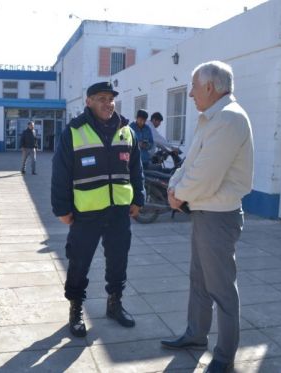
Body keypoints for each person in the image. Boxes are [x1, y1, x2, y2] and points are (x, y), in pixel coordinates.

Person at [160, 61, 254, 373]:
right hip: (204, 212)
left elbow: (205, 176)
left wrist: (179, 195)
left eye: (194, 87)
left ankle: (224, 358)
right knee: (199, 282)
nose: (190, 93)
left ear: (210, 88)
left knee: (222, 290)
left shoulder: (228, 119)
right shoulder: (212, 118)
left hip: (218, 217)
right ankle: (195, 335)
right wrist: (175, 186)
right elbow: (191, 163)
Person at [51, 81, 145, 338]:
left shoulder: (127, 131)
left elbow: (136, 169)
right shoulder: (74, 131)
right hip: (86, 212)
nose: (108, 103)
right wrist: (62, 208)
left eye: (111, 98)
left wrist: (138, 198)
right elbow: (60, 173)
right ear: (88, 101)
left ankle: (114, 303)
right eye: (101, 98)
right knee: (79, 261)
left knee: (118, 260)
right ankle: (76, 307)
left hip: (119, 212)